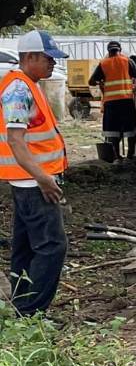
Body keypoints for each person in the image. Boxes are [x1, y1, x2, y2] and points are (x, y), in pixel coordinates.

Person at [1, 30, 70, 316]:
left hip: (29, 180)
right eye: (48, 59)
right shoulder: (18, 89)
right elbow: (16, 140)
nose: (53, 64)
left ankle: (21, 308)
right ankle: (32, 313)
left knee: (26, 247)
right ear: (29, 57)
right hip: (33, 182)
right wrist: (44, 179)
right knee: (53, 246)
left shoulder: (29, 84)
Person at [89, 41, 136, 163]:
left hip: (111, 103)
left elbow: (91, 81)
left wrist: (101, 82)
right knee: (131, 130)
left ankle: (117, 157)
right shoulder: (127, 61)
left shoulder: (103, 64)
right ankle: (130, 156)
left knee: (113, 131)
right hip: (126, 101)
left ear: (108, 51)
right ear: (120, 50)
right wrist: (133, 89)